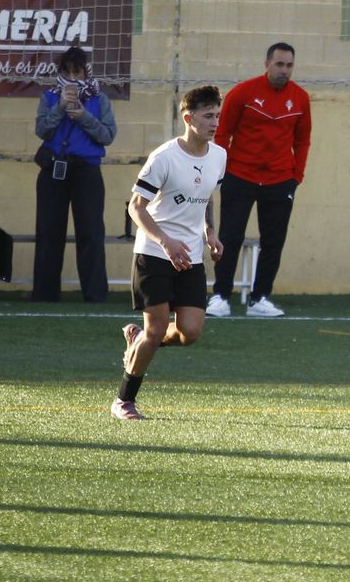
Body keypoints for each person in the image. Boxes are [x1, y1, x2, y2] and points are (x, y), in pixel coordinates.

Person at [113, 85, 226, 421]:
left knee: (190, 332)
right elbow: (136, 207)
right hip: (154, 253)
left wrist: (210, 232)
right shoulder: (164, 157)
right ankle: (123, 401)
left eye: (217, 115)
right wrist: (165, 241)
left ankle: (138, 342)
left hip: (190, 256)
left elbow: (205, 199)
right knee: (157, 328)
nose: (215, 122)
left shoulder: (218, 156)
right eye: (208, 116)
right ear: (188, 118)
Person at [206, 42, 311, 318]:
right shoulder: (243, 92)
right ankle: (220, 296)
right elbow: (222, 133)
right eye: (279, 64)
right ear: (267, 64)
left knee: (273, 240)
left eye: (289, 65)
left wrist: (295, 176)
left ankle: (260, 298)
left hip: (280, 180)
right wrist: (223, 170)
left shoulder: (300, 98)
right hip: (240, 176)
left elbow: (302, 140)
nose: (284, 70)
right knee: (230, 236)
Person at [31, 46, 117, 303]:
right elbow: (42, 130)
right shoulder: (49, 98)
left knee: (90, 232)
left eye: (76, 71)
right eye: (66, 72)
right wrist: (60, 108)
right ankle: (45, 295)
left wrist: (82, 116)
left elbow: (107, 135)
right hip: (54, 170)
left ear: (85, 72)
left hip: (86, 171)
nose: (71, 77)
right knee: (49, 231)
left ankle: (95, 294)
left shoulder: (98, 100)